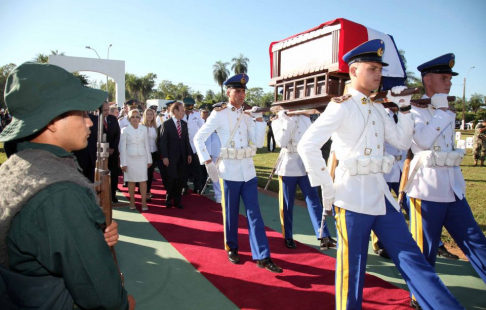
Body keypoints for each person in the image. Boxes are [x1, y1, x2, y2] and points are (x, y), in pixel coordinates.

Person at [298, 40, 463, 309]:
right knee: (353, 269)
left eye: (380, 69)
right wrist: (325, 185)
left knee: (413, 259)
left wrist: (406, 109)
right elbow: (307, 144)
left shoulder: (377, 108)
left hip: (380, 196)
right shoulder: (341, 106)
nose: (378, 74)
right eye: (372, 68)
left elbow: (400, 142)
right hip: (351, 199)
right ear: (353, 71)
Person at [0, 62, 135, 310]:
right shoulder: (61, 193)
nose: (90, 122)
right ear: (52, 121)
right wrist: (122, 303)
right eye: (82, 113)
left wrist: (90, 237)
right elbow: (103, 297)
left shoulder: (17, 167)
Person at [406, 54, 486, 298]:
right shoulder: (412, 111)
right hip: (426, 190)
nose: (449, 82)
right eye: (443, 77)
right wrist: (441, 112)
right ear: (427, 80)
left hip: (453, 188)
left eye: (450, 78)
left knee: (476, 241)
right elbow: (422, 141)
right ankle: (421, 297)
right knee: (424, 250)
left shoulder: (446, 110)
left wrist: (443, 110)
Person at [194, 74, 283, 273]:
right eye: (238, 91)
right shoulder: (219, 114)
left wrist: (259, 120)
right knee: (231, 213)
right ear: (228, 92)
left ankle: (263, 255)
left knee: (255, 215)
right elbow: (198, 139)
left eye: (243, 91)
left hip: (248, 172)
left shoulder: (247, 115)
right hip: (230, 172)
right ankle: (232, 246)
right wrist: (207, 161)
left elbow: (259, 143)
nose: (242, 95)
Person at [271, 111, 337, 250]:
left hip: (306, 165)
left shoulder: (305, 118)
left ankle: (324, 236)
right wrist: (286, 119)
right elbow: (282, 142)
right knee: (287, 204)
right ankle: (288, 236)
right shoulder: (277, 120)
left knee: (314, 200)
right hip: (288, 165)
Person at [159, 102, 192, 209]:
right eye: (182, 110)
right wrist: (165, 156)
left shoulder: (184, 124)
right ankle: (168, 199)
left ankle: (177, 201)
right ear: (175, 111)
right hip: (171, 157)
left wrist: (189, 154)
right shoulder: (166, 124)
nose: (183, 112)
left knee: (181, 179)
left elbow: (186, 140)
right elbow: (163, 142)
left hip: (182, 157)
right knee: (171, 179)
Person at [119, 109, 152, 211]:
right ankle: (132, 201)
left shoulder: (144, 129)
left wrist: (149, 159)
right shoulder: (125, 130)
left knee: (143, 180)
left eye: (137, 117)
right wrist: (123, 163)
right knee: (131, 181)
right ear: (129, 118)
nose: (135, 119)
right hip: (129, 158)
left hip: (142, 158)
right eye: (133, 117)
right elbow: (122, 148)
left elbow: (147, 144)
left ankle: (143, 202)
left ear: (140, 118)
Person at [100, 101, 122, 203]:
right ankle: (102, 194)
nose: (107, 112)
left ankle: (112, 195)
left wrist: (112, 147)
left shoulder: (113, 119)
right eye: (105, 110)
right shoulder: (95, 119)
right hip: (99, 153)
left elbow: (118, 134)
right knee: (101, 174)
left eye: (108, 110)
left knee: (113, 174)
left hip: (113, 152)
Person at [182, 97, 204, 194]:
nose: (189, 110)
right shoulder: (180, 113)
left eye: (190, 108)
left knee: (196, 167)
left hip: (193, 144)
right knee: (183, 167)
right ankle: (184, 186)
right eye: (187, 108)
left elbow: (202, 127)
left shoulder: (196, 114)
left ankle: (197, 186)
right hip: (182, 144)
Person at [201, 107, 222, 202]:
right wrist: (208, 153)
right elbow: (207, 138)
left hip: (228, 153)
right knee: (215, 174)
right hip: (215, 153)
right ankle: (219, 195)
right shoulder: (210, 122)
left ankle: (226, 194)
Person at [142, 108, 159, 201]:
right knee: (144, 173)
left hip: (154, 152)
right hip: (144, 153)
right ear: (145, 115)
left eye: (151, 114)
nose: (149, 116)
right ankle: (144, 192)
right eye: (147, 114)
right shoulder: (142, 127)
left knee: (150, 173)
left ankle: (147, 190)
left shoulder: (156, 128)